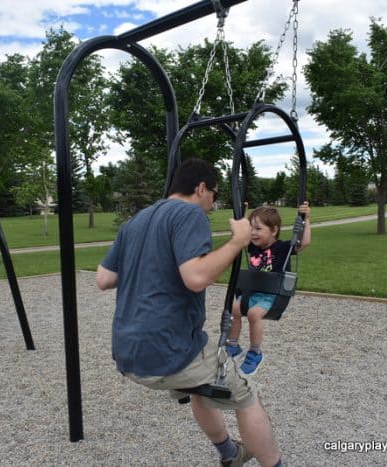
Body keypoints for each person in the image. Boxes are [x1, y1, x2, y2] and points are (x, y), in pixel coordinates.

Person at [96, 158, 284, 467]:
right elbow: (195, 278)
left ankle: (230, 454)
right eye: (214, 194)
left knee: (202, 387)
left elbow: (104, 278)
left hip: (128, 353)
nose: (213, 204)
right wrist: (237, 241)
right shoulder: (190, 214)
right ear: (200, 188)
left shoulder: (137, 220)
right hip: (169, 350)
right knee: (247, 395)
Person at [227, 203, 311, 375]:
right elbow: (237, 235)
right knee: (234, 308)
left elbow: (304, 243)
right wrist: (240, 213)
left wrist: (306, 219)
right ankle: (233, 346)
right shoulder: (252, 246)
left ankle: (255, 352)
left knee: (253, 314)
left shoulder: (282, 248)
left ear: (273, 231)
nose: (253, 233)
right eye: (251, 228)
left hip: (271, 295)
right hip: (251, 290)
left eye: (258, 229)